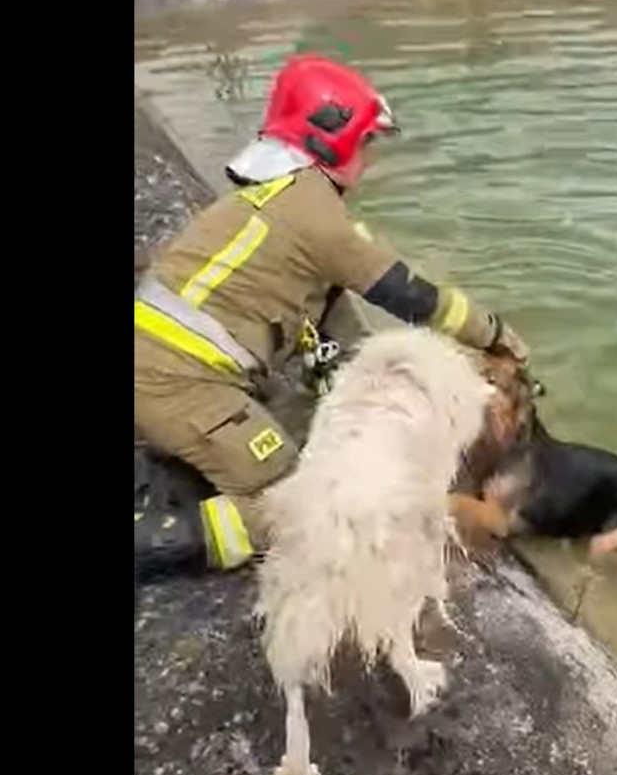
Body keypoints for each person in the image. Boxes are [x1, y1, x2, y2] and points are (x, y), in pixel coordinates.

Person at [136, 54, 529, 573]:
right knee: (303, 510)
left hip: (165, 371)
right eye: (366, 142)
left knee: (299, 438)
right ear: (332, 140)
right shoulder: (318, 218)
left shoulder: (272, 202)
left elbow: (332, 334)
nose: (369, 159)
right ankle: (158, 545)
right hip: (181, 386)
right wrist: (494, 333)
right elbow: (408, 293)